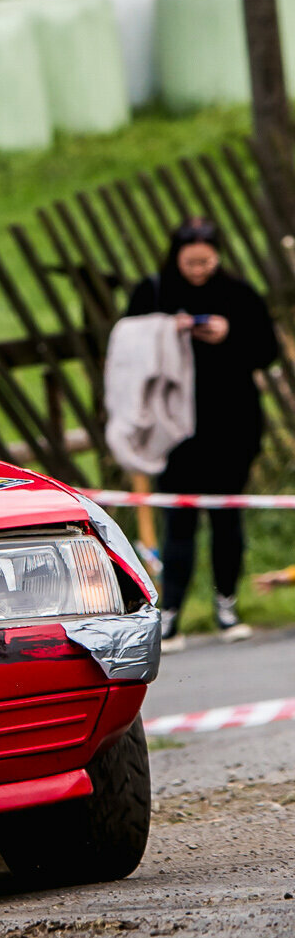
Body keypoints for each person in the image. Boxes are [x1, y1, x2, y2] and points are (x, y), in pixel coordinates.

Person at [124, 217, 279, 649]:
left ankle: (226, 606)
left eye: (206, 262)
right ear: (175, 256)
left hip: (232, 425)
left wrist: (230, 333)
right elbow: (125, 345)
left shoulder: (239, 294)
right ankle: (171, 613)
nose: (198, 270)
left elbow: (266, 351)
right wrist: (166, 331)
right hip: (173, 427)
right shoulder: (153, 293)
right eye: (191, 262)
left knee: (227, 516)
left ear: (218, 257)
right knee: (179, 519)